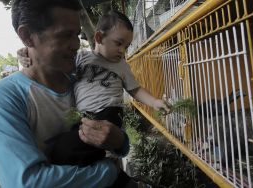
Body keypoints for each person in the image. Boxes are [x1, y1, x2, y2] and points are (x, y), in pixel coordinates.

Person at [0, 0, 129, 187]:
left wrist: (120, 141)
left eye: (76, 34)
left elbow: (116, 138)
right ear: (27, 37)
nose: (75, 44)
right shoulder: (1, 99)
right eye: (65, 35)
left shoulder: (84, 83)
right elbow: (28, 183)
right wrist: (109, 171)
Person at [17, 10, 171, 187]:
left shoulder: (121, 66)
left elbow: (135, 90)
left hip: (110, 113)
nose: (122, 51)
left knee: (65, 149)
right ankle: (105, 175)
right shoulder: (81, 57)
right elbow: (53, 64)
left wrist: (155, 102)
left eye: (126, 46)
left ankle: (107, 175)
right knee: (68, 147)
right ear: (98, 37)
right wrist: (26, 52)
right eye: (118, 43)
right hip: (85, 117)